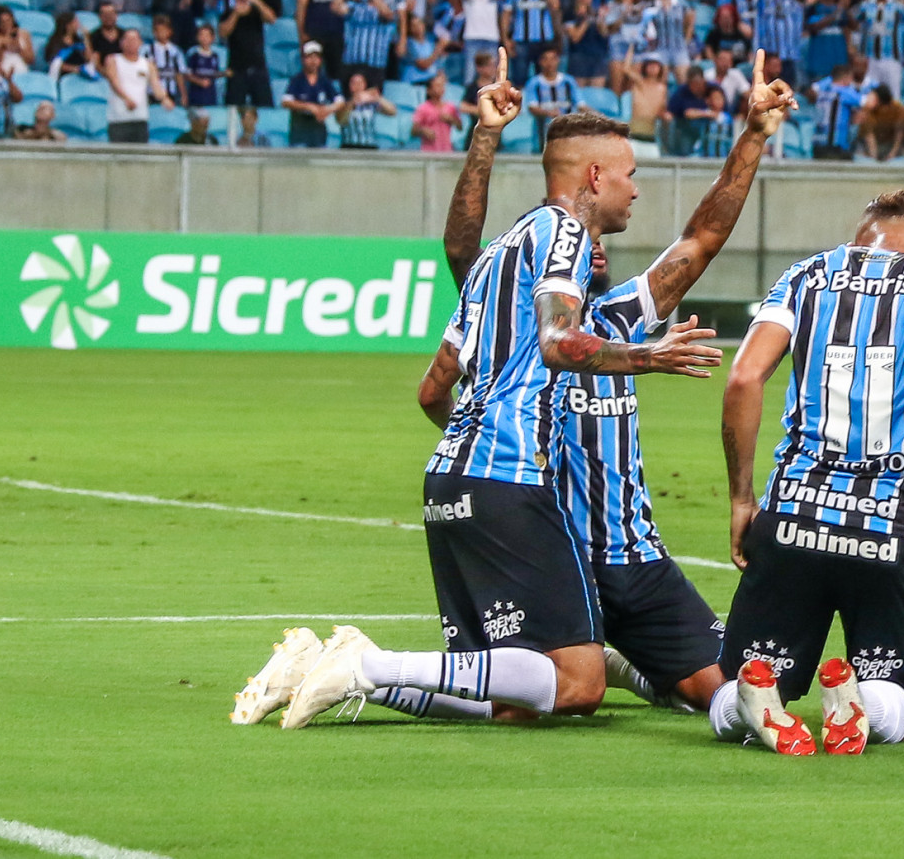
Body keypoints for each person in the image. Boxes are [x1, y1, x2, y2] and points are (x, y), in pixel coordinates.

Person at [315, 51, 804, 731]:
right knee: (535, 699)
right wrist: (643, 361)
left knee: (708, 687)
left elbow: (702, 237)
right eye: (629, 177)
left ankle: (626, 664)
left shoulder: (623, 310)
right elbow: (466, 252)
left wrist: (752, 135)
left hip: (627, 552)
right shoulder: (536, 276)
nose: (635, 194)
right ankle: (382, 669)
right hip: (548, 534)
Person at [712, 186, 904, 754]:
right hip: (891, 525)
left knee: (732, 691)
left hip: (793, 515)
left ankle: (759, 703)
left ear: (856, 242)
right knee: (900, 704)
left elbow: (743, 379)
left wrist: (743, 498)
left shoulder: (807, 274)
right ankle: (858, 701)